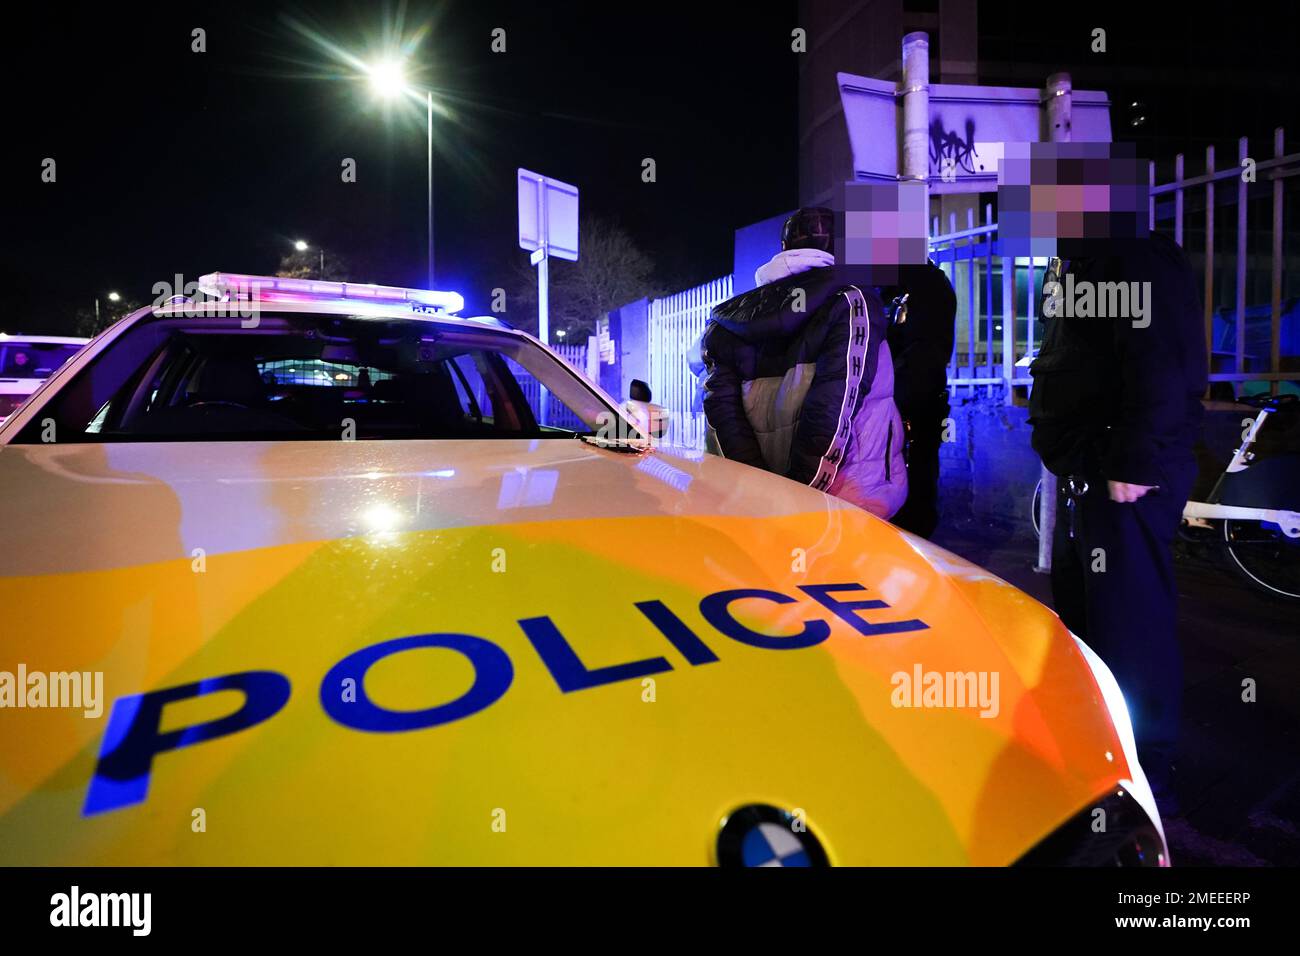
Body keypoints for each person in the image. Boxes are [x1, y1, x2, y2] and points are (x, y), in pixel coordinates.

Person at [1029, 232, 1208, 812]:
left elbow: (1160, 363)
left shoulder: (1131, 254)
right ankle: (1102, 750)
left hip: (1121, 471)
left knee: (1131, 620)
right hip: (1090, 464)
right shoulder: (1080, 257)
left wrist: (1133, 458)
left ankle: (1148, 767)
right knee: (1088, 614)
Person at [701, 207, 907, 519]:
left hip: (759, 507)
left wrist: (760, 494)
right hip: (847, 501)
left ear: (784, 250)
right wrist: (801, 496)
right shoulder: (852, 302)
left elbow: (722, 414)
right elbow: (836, 405)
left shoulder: (729, 324)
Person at [878, 261, 957, 538]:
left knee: (915, 497)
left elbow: (921, 360)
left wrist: (893, 405)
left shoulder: (926, 285)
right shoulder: (900, 287)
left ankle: (915, 559)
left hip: (913, 410)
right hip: (903, 407)